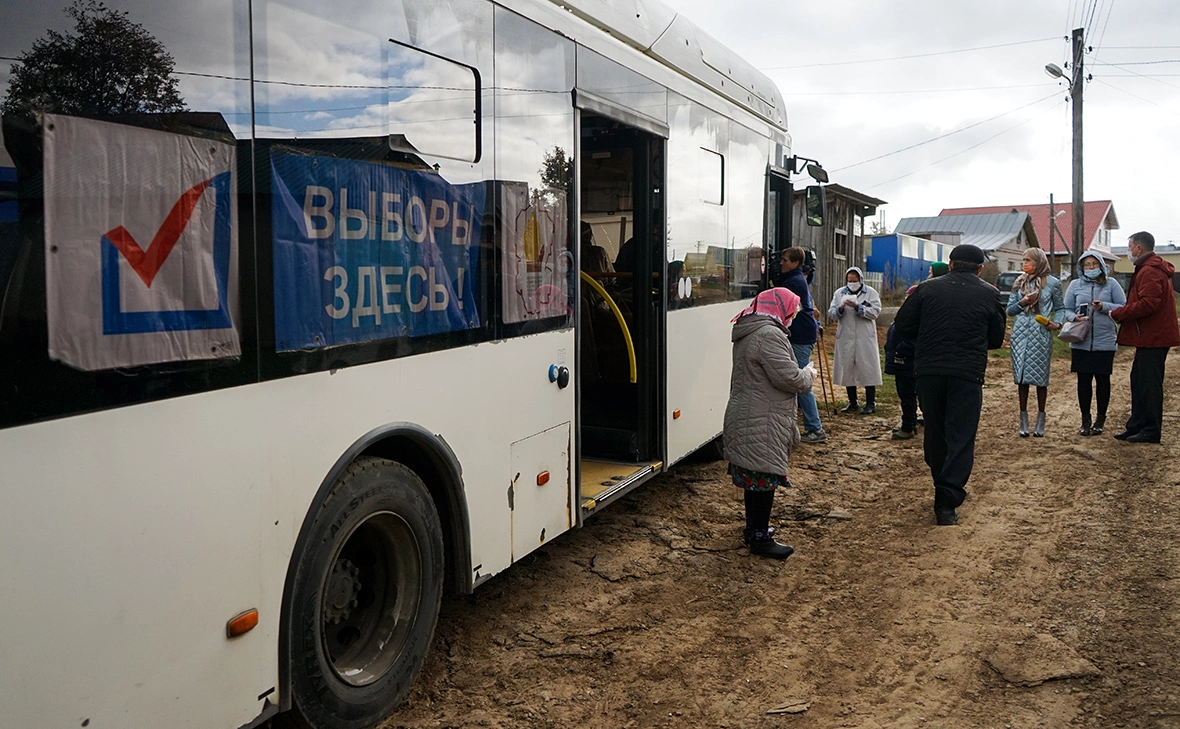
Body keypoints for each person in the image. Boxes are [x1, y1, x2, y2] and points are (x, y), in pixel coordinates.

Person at [894, 244, 1006, 526]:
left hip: (929, 369)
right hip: (967, 372)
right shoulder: (990, 294)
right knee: (961, 433)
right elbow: (995, 339)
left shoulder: (926, 289)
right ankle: (946, 499)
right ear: (980, 269)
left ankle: (940, 484)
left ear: (951, 263)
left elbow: (903, 324)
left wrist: (928, 334)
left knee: (935, 427)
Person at [723, 287, 816, 559]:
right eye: (792, 312)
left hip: (749, 412)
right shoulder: (769, 335)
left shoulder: (751, 329)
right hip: (762, 417)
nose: (792, 317)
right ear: (782, 309)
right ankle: (761, 539)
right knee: (764, 478)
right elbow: (791, 379)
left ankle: (754, 529)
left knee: (754, 477)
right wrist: (807, 373)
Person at [1109, 231, 1180, 443]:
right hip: (1149, 337)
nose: (1128, 251)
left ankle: (1151, 429)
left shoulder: (1149, 271)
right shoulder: (1148, 269)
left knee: (1149, 384)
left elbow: (1149, 303)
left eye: (1129, 246)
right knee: (1138, 381)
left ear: (1139, 248)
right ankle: (1137, 425)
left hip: (1154, 337)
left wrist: (1119, 313)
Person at [1062, 251, 1126, 435]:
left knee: (1103, 380)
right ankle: (1085, 419)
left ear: (1101, 266)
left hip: (1104, 341)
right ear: (1081, 267)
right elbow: (1067, 309)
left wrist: (1104, 307)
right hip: (1080, 340)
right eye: (1087, 264)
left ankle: (1100, 418)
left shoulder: (1111, 284)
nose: (1091, 268)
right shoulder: (1075, 285)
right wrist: (1075, 317)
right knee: (1083, 381)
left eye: (1094, 264)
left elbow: (1123, 306)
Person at [1006, 247, 1065, 437]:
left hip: (1041, 332)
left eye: (1028, 260)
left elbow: (1060, 307)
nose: (1025, 264)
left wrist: (1057, 323)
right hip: (1020, 334)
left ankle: (1041, 417)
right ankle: (1023, 418)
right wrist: (1023, 302)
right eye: (1023, 260)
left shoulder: (1052, 283)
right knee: (1021, 378)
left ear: (1039, 262)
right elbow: (1010, 310)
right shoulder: (1019, 282)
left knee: (1040, 378)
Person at [886, 262, 948, 439]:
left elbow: (914, 337)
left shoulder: (919, 316)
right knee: (911, 394)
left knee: (910, 394)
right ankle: (914, 421)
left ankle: (909, 425)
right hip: (906, 358)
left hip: (908, 359)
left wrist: (901, 349)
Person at [776, 247, 826, 443]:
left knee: (800, 382)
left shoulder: (794, 282)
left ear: (796, 263)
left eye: (785, 260)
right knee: (797, 380)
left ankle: (815, 429)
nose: (782, 263)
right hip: (801, 334)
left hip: (801, 336)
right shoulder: (795, 279)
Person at [827, 267, 882, 414]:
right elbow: (831, 313)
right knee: (847, 367)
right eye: (849, 280)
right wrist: (841, 308)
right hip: (846, 336)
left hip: (865, 337)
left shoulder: (870, 293)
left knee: (867, 367)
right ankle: (853, 402)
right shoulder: (839, 293)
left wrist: (859, 307)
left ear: (860, 280)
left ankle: (871, 403)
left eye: (854, 280)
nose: (852, 283)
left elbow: (876, 311)